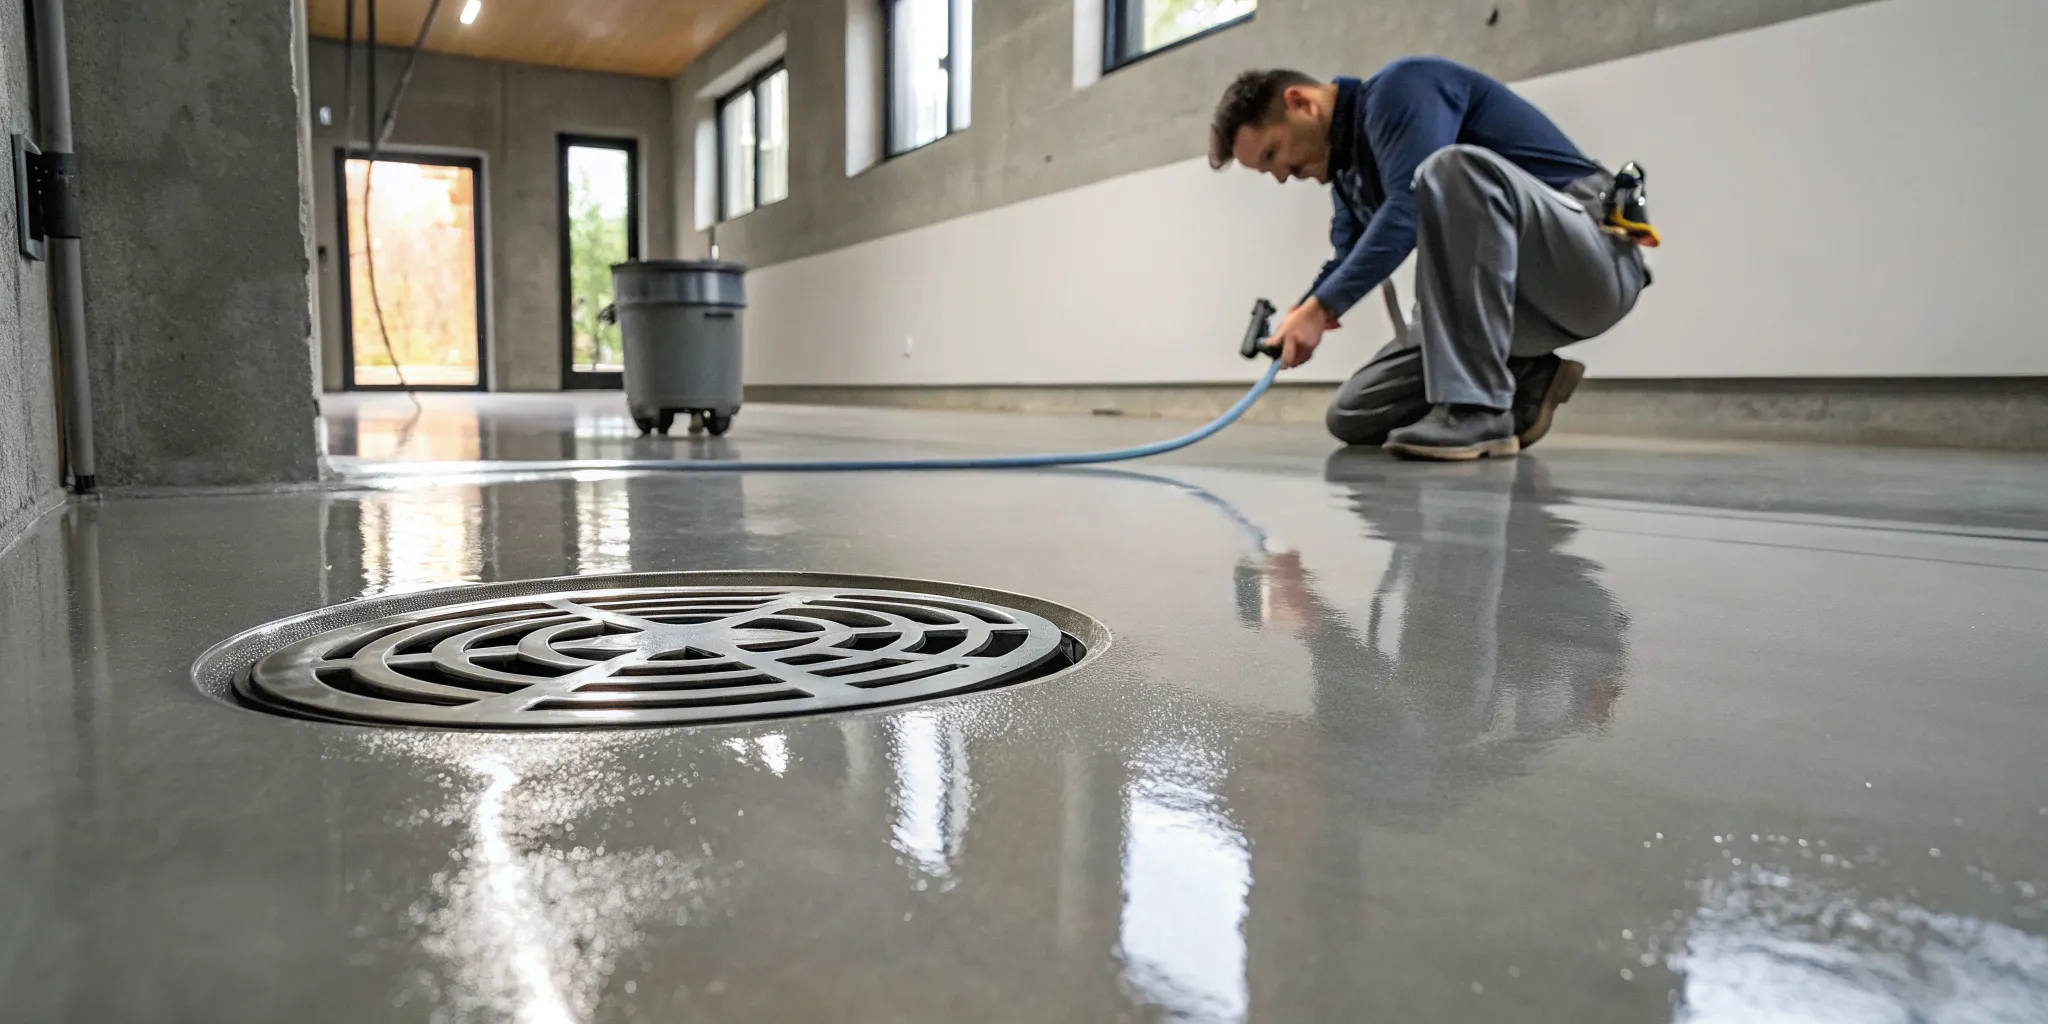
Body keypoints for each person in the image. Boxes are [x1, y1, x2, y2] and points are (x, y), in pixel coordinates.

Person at [1209, 56, 1653, 460]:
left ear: (1301, 102)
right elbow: (1346, 259)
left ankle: (1478, 409)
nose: (1281, 175)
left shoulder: (1400, 88)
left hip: (1589, 265)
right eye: (1267, 170)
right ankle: (1526, 374)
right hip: (1507, 305)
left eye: (1272, 153)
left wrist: (1322, 306)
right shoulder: (1347, 174)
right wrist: (1304, 312)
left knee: (1449, 169)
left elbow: (1406, 208)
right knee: (1353, 412)